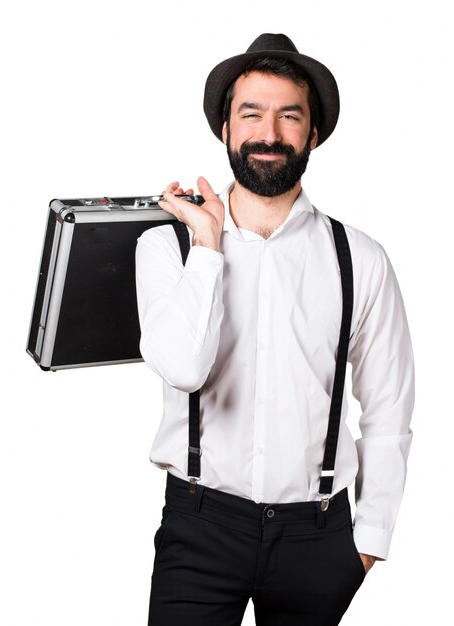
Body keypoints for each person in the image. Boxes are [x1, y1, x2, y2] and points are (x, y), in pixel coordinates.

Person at [135, 33, 414, 626]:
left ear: (312, 133)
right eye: (251, 114)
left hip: (317, 538)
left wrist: (369, 540)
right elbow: (184, 366)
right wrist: (208, 249)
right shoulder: (166, 245)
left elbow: (389, 406)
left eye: (289, 115)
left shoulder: (360, 260)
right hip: (199, 529)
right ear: (226, 130)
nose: (269, 133)